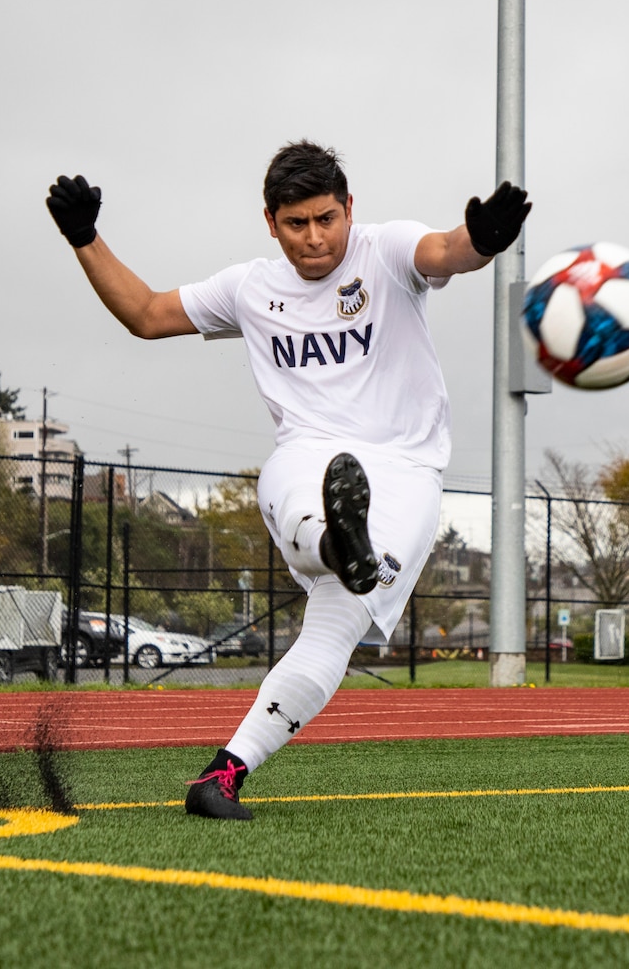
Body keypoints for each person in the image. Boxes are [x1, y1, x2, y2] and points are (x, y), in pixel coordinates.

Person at [46, 141, 530, 819]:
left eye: (327, 219)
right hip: (312, 457)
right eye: (297, 224)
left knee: (334, 632)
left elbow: (445, 252)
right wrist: (85, 237)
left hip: (407, 472)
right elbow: (148, 315)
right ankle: (339, 546)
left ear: (350, 211)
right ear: (270, 222)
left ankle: (221, 778)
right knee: (298, 483)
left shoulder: (384, 251)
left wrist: (482, 238)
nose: (314, 238)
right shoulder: (250, 288)